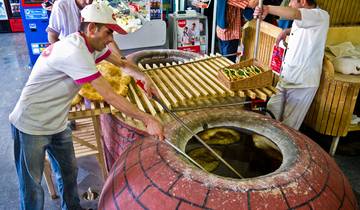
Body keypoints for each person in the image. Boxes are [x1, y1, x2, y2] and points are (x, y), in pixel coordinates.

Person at [9, 2, 164, 209]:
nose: (111, 40)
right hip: (31, 125)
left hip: (58, 122)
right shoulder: (75, 52)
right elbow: (110, 96)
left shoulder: (90, 46)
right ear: (91, 29)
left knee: (69, 172)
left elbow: (122, 63)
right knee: (32, 187)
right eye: (108, 33)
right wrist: (148, 119)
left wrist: (143, 77)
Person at [254, 0, 329, 130]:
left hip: (302, 82)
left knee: (289, 127)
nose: (289, 4)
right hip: (287, 76)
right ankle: (265, 144)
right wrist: (287, 31)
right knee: (270, 113)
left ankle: (279, 150)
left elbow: (295, 13)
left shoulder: (320, 16)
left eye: (291, 1)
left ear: (304, 2)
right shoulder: (308, 19)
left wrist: (267, 8)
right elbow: (302, 25)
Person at [46, 0, 123, 58]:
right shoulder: (61, 4)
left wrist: (121, 58)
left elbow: (105, 34)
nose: (88, 2)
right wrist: (63, 56)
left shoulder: (94, 6)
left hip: (85, 51)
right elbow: (52, 35)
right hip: (68, 52)